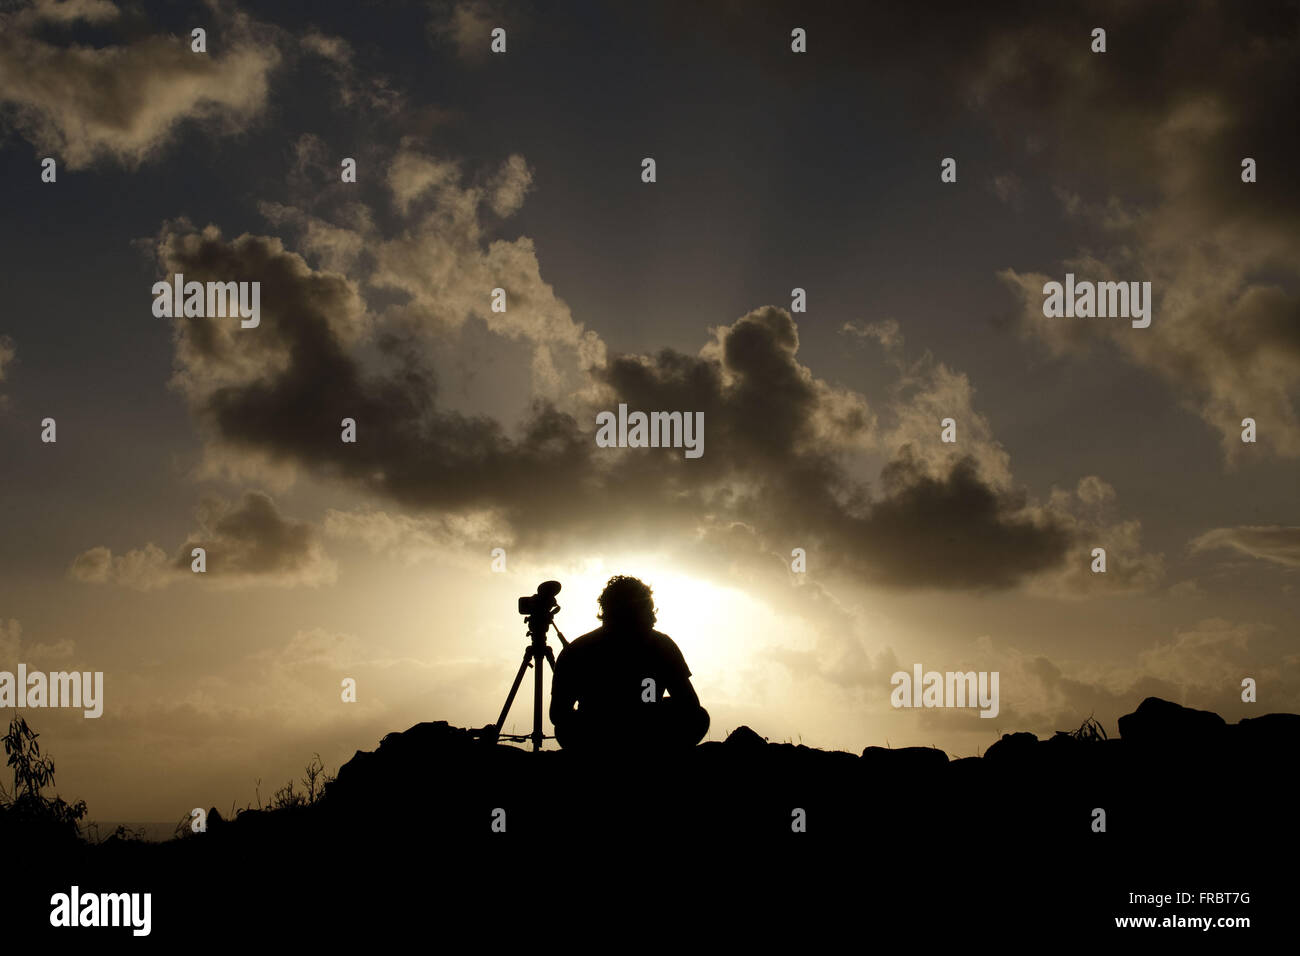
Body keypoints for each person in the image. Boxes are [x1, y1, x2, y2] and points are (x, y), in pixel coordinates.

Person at [550, 575, 709, 752]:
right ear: (648, 611)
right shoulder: (662, 645)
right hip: (645, 735)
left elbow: (558, 714)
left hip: (595, 738)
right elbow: (689, 705)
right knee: (699, 717)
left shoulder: (577, 649)